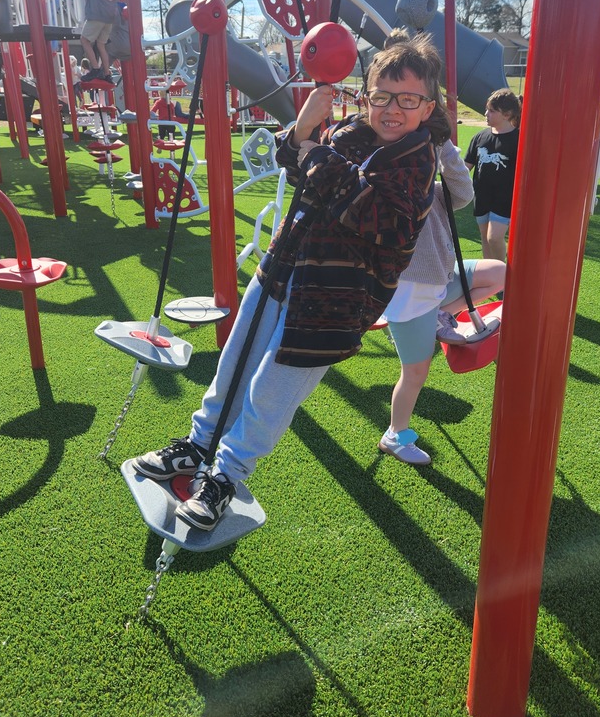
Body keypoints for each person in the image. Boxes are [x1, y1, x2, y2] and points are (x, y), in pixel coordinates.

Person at [132, 30, 451, 531]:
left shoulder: (417, 162)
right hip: (283, 269)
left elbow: (379, 221)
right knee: (234, 365)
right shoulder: (351, 133)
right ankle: (198, 444)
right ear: (366, 97)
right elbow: (298, 166)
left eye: (407, 100)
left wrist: (318, 157)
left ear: (427, 107)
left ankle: (226, 475)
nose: (392, 109)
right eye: (381, 96)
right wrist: (302, 129)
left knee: (272, 391)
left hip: (332, 304)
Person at [378, 140, 506, 465]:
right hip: (411, 298)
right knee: (416, 373)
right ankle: (395, 434)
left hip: (442, 280)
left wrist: (445, 144)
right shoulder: (383, 197)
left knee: (499, 272)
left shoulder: (434, 192)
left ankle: (442, 314)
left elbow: (463, 192)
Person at [464, 88, 521, 262]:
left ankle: (502, 273)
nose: (486, 114)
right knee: (485, 238)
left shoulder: (518, 139)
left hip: (504, 199)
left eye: (492, 111)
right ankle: (489, 273)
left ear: (507, 114)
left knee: (494, 237)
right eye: (487, 109)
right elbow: (467, 167)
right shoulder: (479, 137)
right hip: (482, 197)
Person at [79, 0, 120, 84]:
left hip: (96, 15)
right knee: (101, 45)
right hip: (109, 17)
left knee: (84, 40)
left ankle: (95, 69)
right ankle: (107, 73)